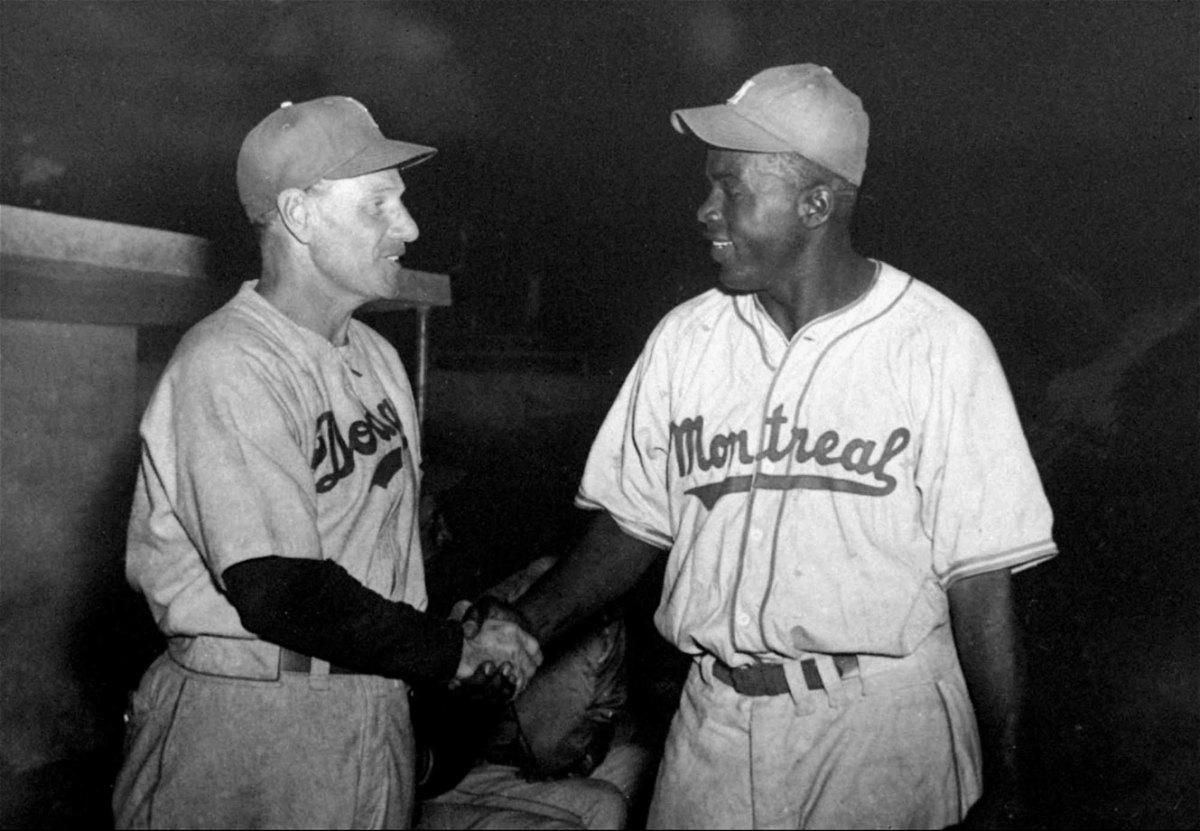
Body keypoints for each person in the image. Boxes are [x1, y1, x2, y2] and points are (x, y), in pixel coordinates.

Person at [502, 64, 1057, 828]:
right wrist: (522, 623)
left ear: (817, 202)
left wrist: (1009, 782)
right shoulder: (686, 339)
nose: (705, 211)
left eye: (731, 188)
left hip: (878, 731)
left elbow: (982, 586)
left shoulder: (938, 344)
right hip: (713, 724)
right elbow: (632, 526)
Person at [112, 96, 541, 829]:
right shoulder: (229, 360)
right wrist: (452, 652)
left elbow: (376, 554)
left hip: (371, 704)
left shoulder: (375, 356)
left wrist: (454, 642)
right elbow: (278, 587)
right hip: (246, 723)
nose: (409, 227)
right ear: (301, 217)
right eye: (380, 204)